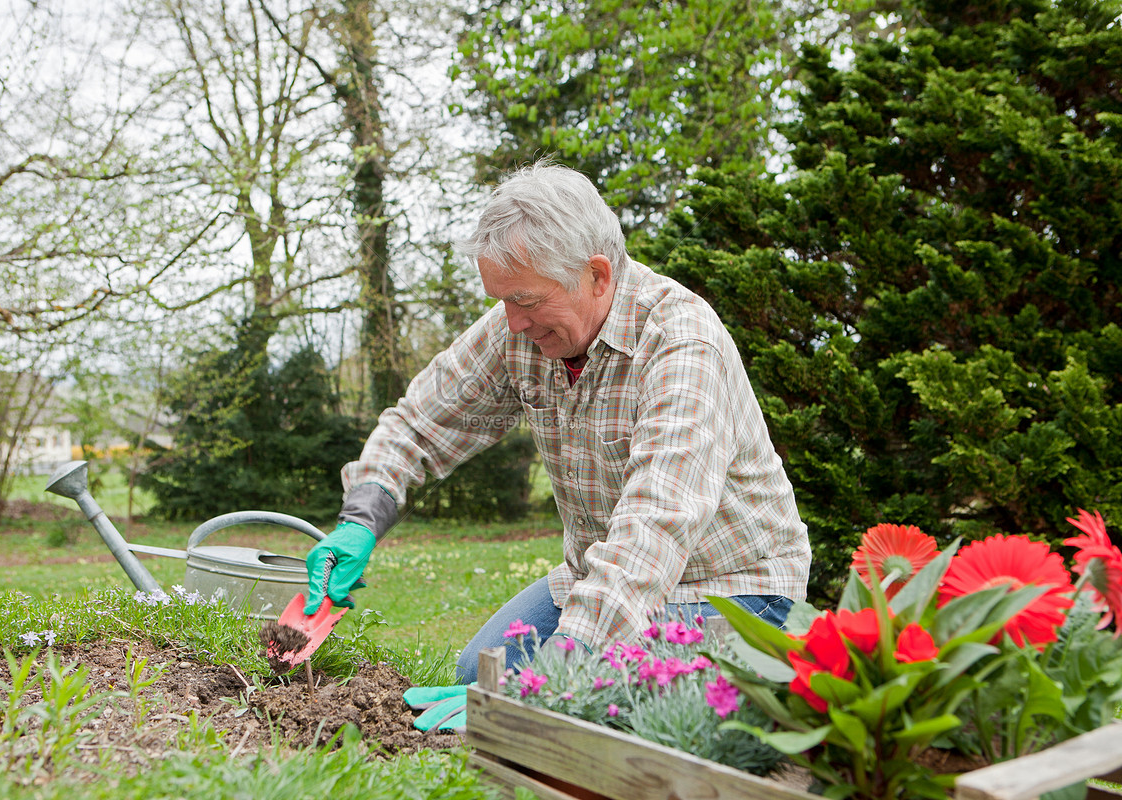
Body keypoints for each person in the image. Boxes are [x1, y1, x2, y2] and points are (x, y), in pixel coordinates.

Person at [305, 160, 811, 686]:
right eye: (503, 300)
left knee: (599, 707)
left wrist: (566, 664)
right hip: (597, 578)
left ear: (597, 275)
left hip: (734, 591)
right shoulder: (519, 328)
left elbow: (657, 522)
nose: (514, 322)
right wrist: (361, 518)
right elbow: (420, 422)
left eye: (526, 300)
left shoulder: (681, 341)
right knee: (481, 679)